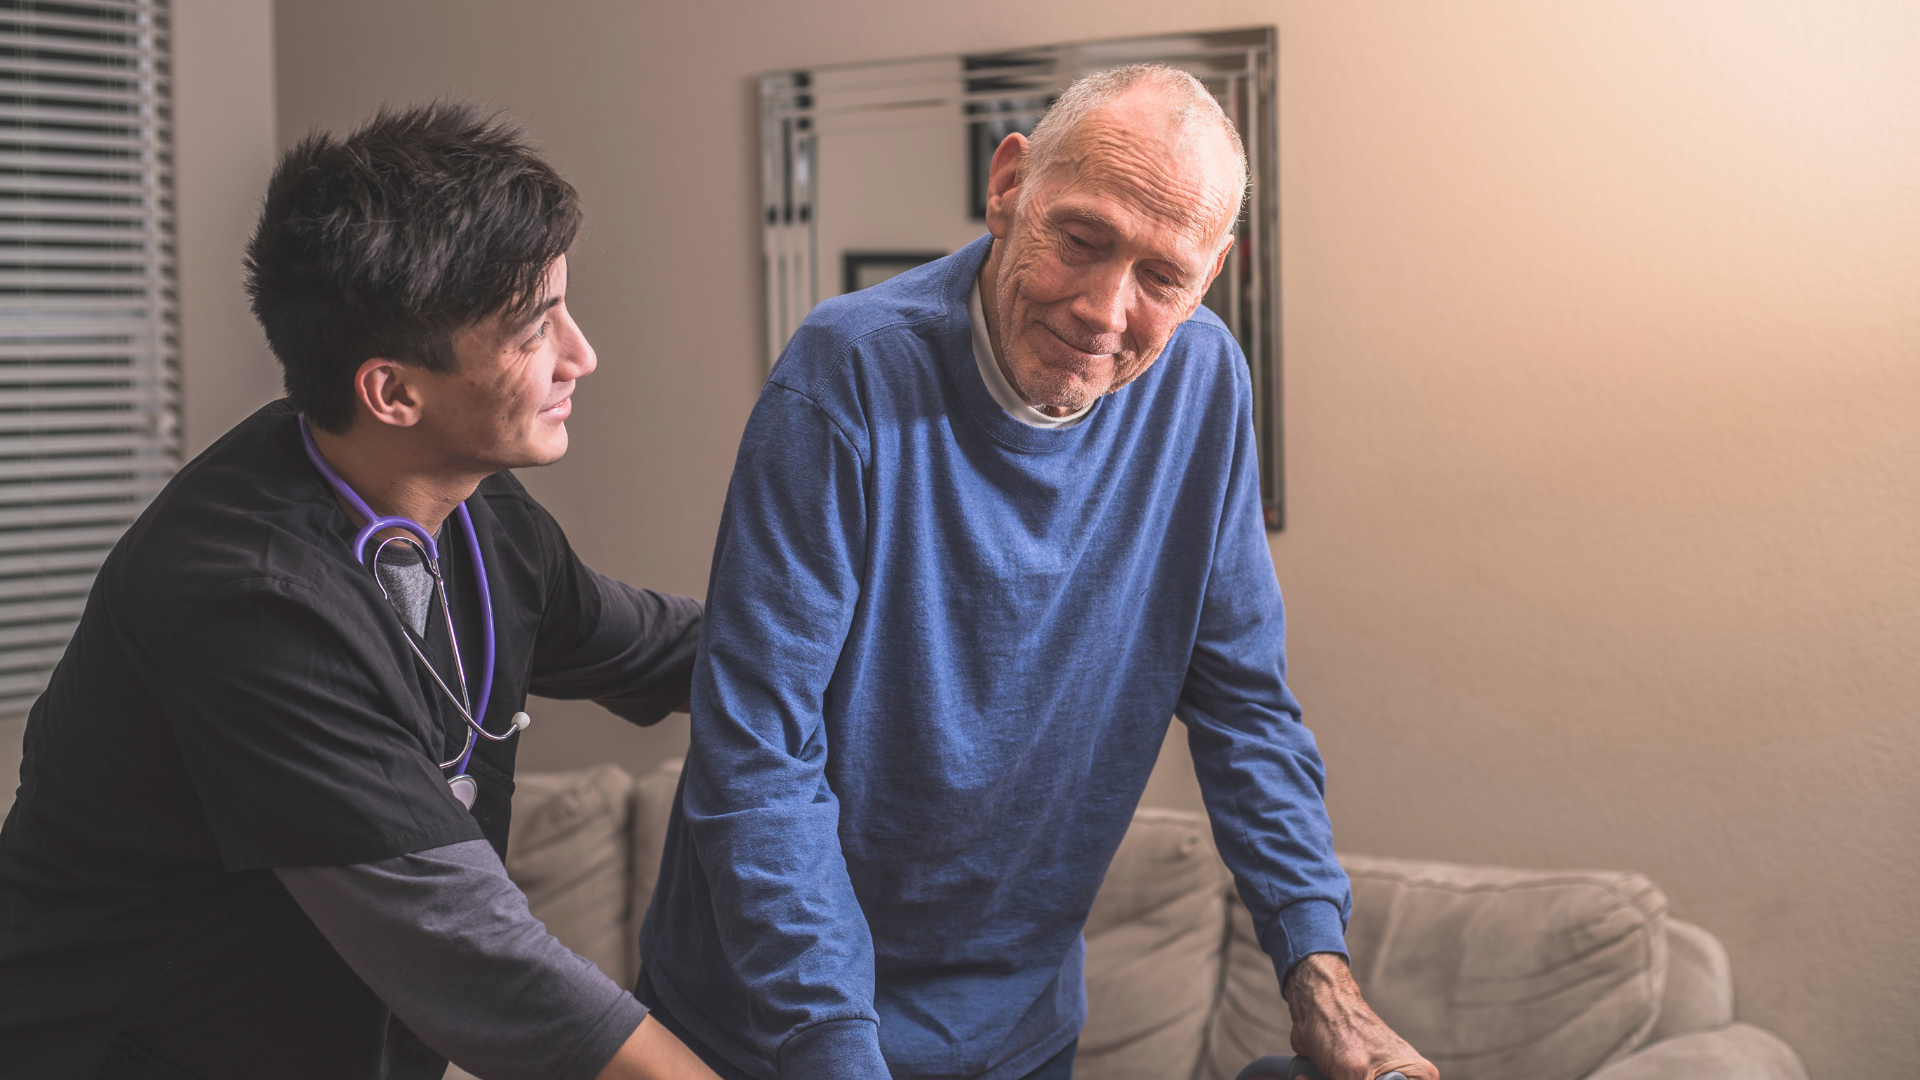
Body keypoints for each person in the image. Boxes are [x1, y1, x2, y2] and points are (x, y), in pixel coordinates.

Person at [639, 65, 1438, 1080]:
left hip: (1013, 1032)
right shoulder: (847, 373)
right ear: (1010, 183)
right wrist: (836, 1052)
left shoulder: (1201, 383)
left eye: (1163, 277)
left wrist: (1320, 975)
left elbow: (1245, 705)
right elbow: (757, 757)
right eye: (1083, 240)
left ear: (1213, 272)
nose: (1106, 310)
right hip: (768, 1029)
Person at [0, 104, 717, 1080]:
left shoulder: (481, 513)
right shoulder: (245, 601)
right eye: (534, 327)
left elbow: (665, 647)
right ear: (392, 392)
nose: (580, 355)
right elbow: (485, 965)